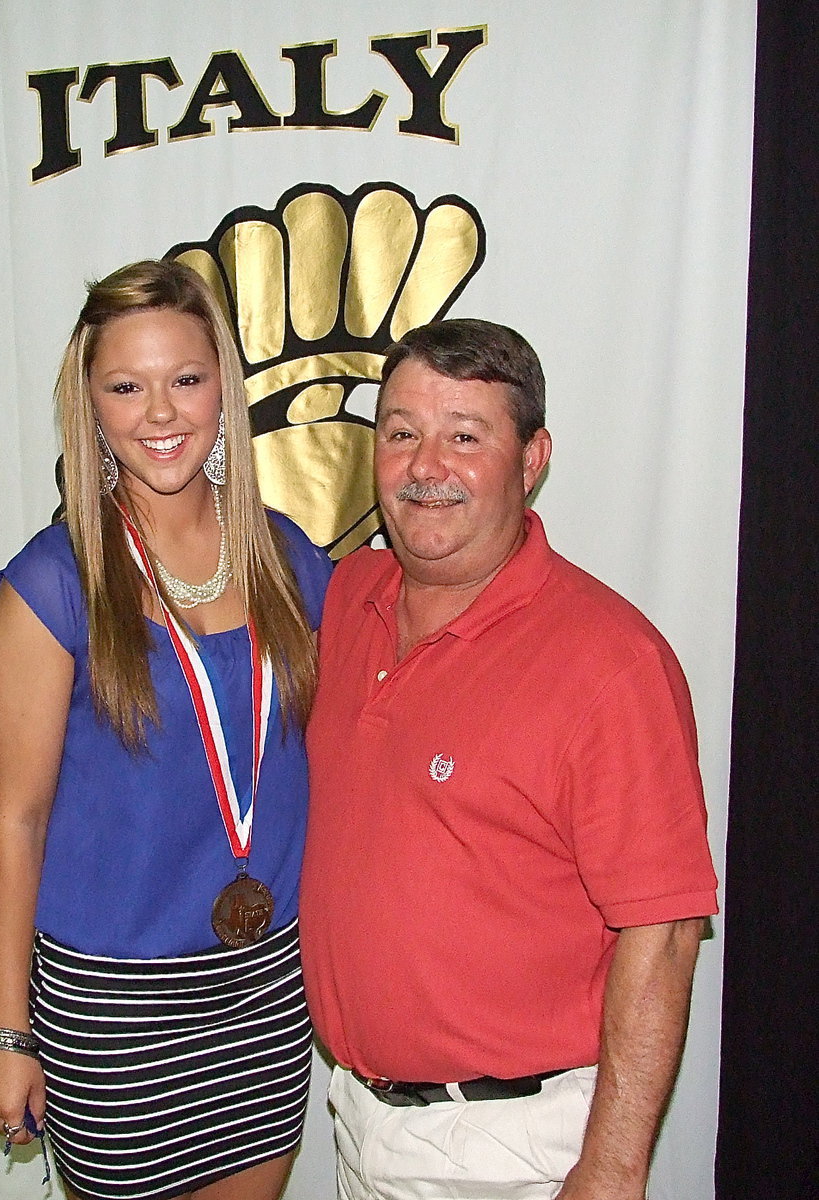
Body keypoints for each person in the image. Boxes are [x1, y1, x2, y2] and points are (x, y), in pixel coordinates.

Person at [300, 318, 719, 1200]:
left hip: (518, 1154)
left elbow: (666, 932)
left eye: (464, 436)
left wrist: (608, 1172)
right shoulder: (346, 600)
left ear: (531, 460)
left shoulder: (608, 662)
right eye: (402, 432)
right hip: (355, 1124)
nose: (425, 466)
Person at [0, 259, 332, 1200]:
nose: (160, 413)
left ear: (223, 389)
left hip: (263, 993)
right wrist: (4, 1034)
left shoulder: (291, 558)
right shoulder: (47, 588)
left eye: (185, 379)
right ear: (89, 406)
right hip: (118, 1016)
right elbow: (16, 824)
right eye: (125, 387)